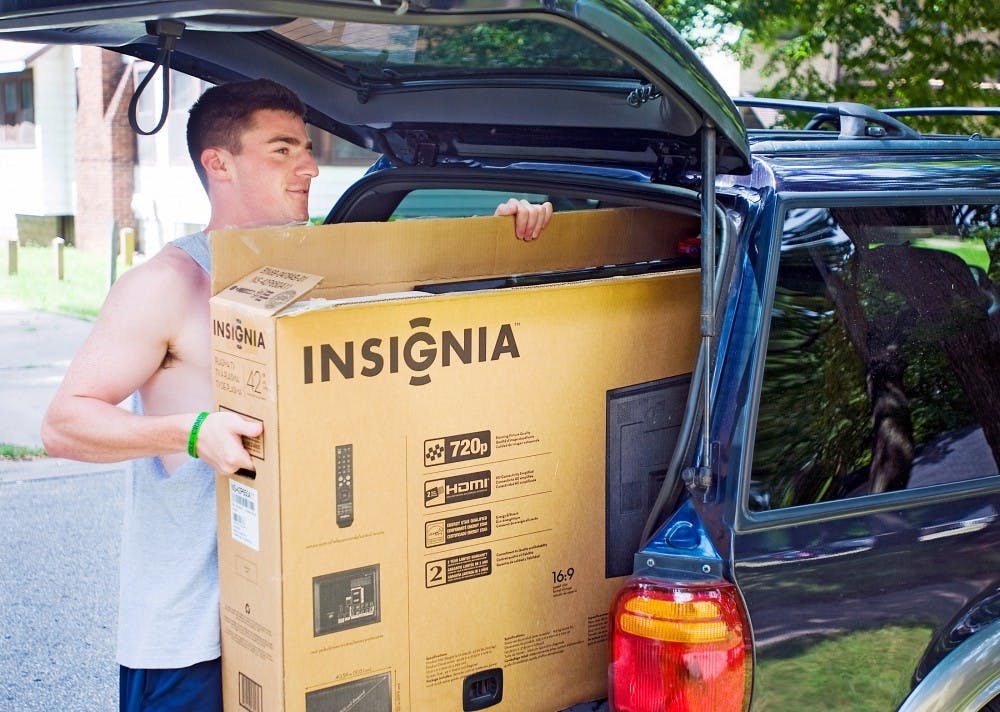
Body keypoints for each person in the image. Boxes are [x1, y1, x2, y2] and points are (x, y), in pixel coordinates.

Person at [40, 78, 552, 712]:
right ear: (218, 163)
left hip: (315, 621)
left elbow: (428, 333)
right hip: (197, 635)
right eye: (282, 150)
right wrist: (193, 432)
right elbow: (63, 424)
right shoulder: (169, 283)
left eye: (306, 148)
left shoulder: (324, 271)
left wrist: (498, 242)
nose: (309, 167)